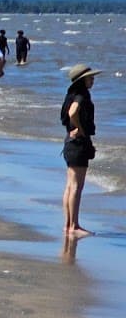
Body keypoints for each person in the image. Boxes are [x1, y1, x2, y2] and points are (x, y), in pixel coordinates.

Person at [61, 65, 100, 248]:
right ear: (81, 80)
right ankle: (74, 225)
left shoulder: (71, 94)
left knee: (70, 185)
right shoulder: (81, 95)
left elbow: (67, 114)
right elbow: (72, 113)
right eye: (90, 77)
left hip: (69, 143)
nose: (92, 80)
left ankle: (68, 225)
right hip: (78, 144)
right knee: (76, 186)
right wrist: (81, 130)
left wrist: (75, 129)